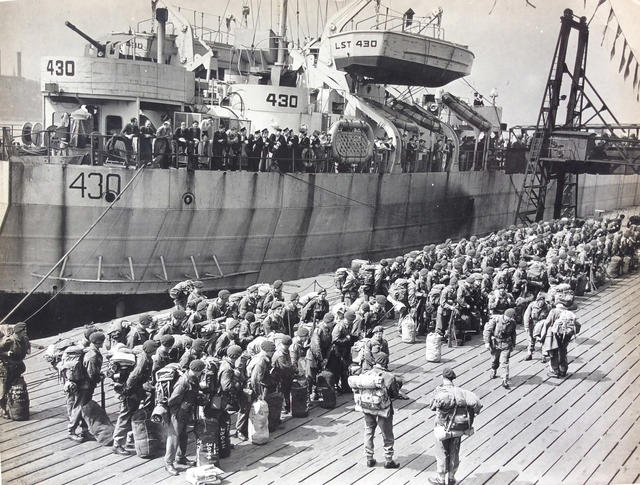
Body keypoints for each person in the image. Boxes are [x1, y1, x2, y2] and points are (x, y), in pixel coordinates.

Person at [428, 367, 482, 485]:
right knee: (454, 451)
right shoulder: (462, 392)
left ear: (443, 378)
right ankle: (452, 477)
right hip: (459, 428)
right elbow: (477, 404)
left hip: (443, 429)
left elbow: (432, 406)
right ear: (453, 379)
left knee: (441, 451)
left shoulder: (440, 392)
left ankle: (441, 478)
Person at [112, 339, 158, 455]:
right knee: (125, 416)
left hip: (137, 390)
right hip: (131, 392)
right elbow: (134, 376)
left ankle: (128, 439)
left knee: (131, 414)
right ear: (152, 351)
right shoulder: (143, 360)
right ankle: (117, 444)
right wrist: (126, 390)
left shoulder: (144, 357)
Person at [359, 353, 401, 469]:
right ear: (385, 362)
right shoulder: (389, 376)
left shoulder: (366, 374)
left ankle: (369, 458)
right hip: (383, 410)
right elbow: (394, 394)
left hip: (368, 408)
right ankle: (388, 460)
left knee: (368, 432)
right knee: (387, 434)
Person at [164, 359, 204, 475]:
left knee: (183, 435)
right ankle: (168, 463)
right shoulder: (183, 382)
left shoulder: (193, 379)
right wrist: (180, 407)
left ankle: (180, 457)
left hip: (186, 411)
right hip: (178, 412)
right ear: (198, 371)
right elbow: (172, 400)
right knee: (173, 437)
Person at [67, 331, 105, 442]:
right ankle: (71, 431)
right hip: (85, 386)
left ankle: (84, 431)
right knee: (79, 408)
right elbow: (92, 373)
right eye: (102, 341)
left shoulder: (90, 351)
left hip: (86, 385)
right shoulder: (92, 355)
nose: (103, 343)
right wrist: (99, 377)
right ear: (98, 342)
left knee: (84, 407)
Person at [539, 296, 581, 378]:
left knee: (554, 353)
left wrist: (542, 337)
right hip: (566, 335)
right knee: (563, 351)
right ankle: (563, 370)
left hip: (555, 334)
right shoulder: (568, 313)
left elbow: (547, 324)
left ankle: (555, 371)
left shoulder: (553, 311)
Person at [0, 322, 30, 418]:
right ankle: (3, 409)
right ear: (17, 332)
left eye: (25, 330)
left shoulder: (25, 339)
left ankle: (12, 406)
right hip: (5, 366)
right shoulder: (9, 341)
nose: (25, 332)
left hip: (17, 366)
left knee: (16, 387)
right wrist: (6, 353)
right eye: (23, 331)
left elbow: (28, 348)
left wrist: (27, 349)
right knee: (3, 389)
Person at [483, 308, 517, 388]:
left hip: (506, 344)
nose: (511, 319)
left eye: (512, 317)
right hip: (496, 344)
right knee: (495, 360)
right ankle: (493, 369)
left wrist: (513, 344)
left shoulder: (512, 323)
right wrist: (487, 342)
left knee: (504, 362)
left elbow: (513, 334)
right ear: (506, 316)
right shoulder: (495, 320)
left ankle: (504, 379)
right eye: (510, 317)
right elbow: (487, 331)